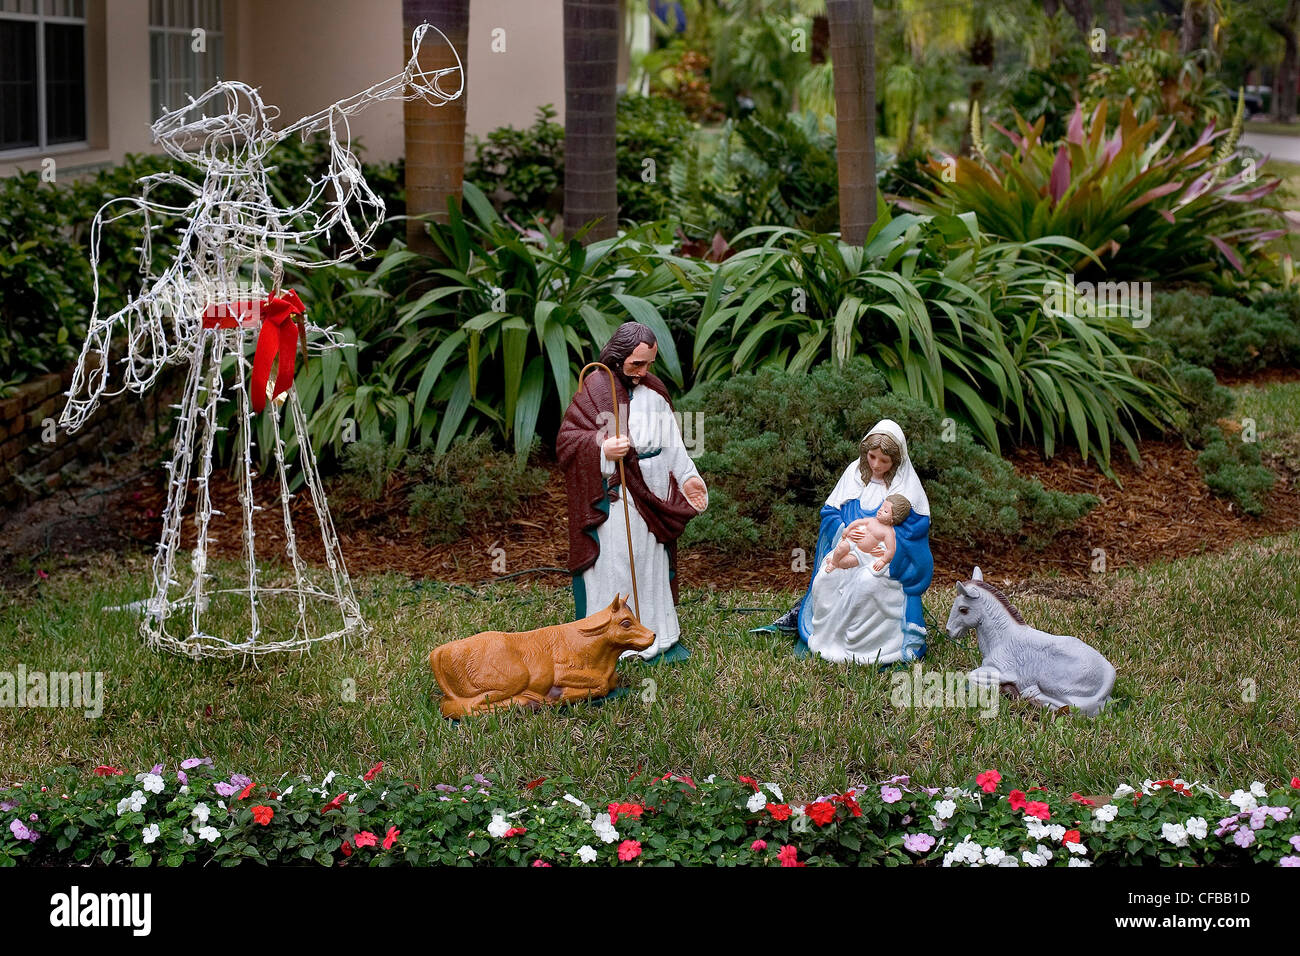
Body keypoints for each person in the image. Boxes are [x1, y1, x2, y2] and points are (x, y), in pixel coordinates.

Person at [557, 322, 708, 661]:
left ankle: (658, 630)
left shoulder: (654, 393)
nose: (642, 371)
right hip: (616, 497)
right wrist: (602, 450)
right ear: (618, 356)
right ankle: (611, 640)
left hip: (654, 494)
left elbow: (673, 444)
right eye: (636, 364)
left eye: (648, 364)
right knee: (619, 565)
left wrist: (687, 478)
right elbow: (567, 443)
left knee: (649, 563)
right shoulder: (596, 389)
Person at [764, 420, 932, 664]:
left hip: (883, 563)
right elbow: (830, 514)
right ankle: (826, 636)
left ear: (895, 461)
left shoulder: (907, 488)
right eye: (872, 457)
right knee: (826, 576)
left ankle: (858, 646)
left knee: (865, 584)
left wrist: (884, 552)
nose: (876, 465)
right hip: (849, 546)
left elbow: (913, 534)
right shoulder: (854, 474)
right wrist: (845, 531)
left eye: (884, 461)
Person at [826, 494, 911, 573]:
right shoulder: (872, 520)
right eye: (881, 507)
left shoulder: (888, 532)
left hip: (861, 554)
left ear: (893, 519)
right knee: (841, 547)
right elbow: (858, 522)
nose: (880, 510)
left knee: (847, 562)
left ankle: (837, 564)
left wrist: (883, 561)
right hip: (852, 543)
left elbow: (890, 550)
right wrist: (847, 529)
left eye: (885, 511)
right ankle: (833, 562)